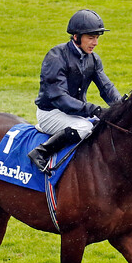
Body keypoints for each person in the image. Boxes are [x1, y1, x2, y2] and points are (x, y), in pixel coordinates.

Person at [28, 9, 122, 172]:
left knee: (105, 125)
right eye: (91, 38)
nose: (95, 43)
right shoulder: (56, 57)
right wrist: (94, 109)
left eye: (97, 38)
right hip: (50, 113)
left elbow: (106, 88)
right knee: (84, 128)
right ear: (76, 37)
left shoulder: (93, 59)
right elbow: (60, 98)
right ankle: (41, 153)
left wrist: (122, 106)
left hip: (74, 113)